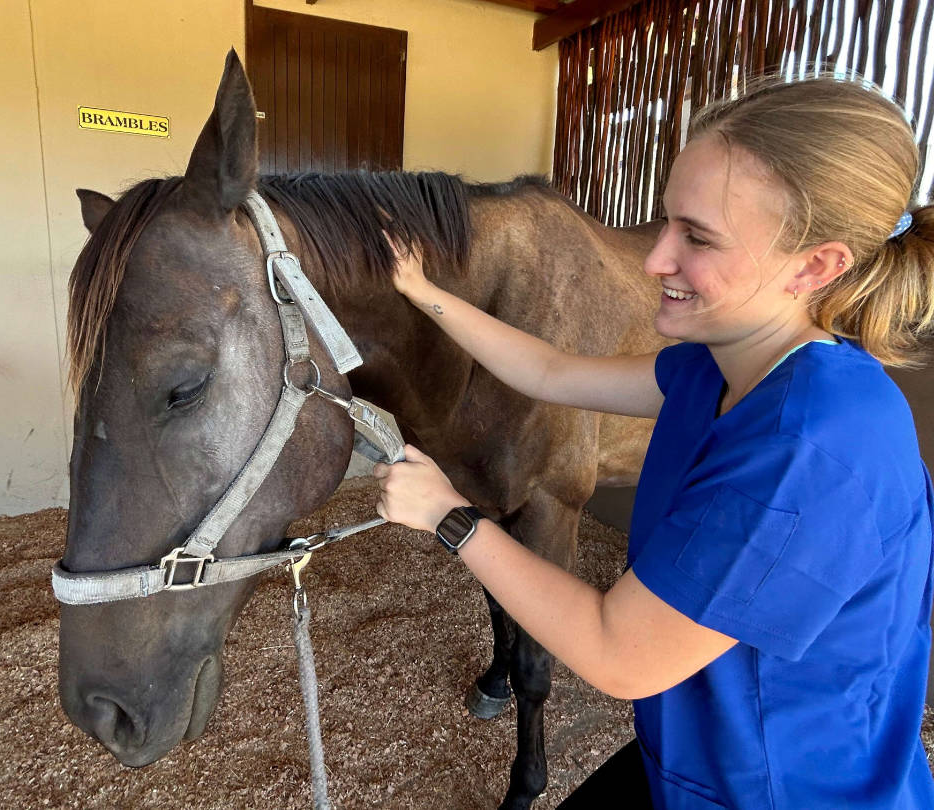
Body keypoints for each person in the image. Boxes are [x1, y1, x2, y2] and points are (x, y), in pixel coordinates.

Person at [372, 76, 934, 808]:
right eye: (666, 222)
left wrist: (448, 516)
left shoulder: (810, 447)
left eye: (697, 237)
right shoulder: (723, 363)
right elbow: (550, 369)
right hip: (694, 762)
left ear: (816, 265)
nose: (655, 258)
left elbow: (619, 654)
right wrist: (423, 290)